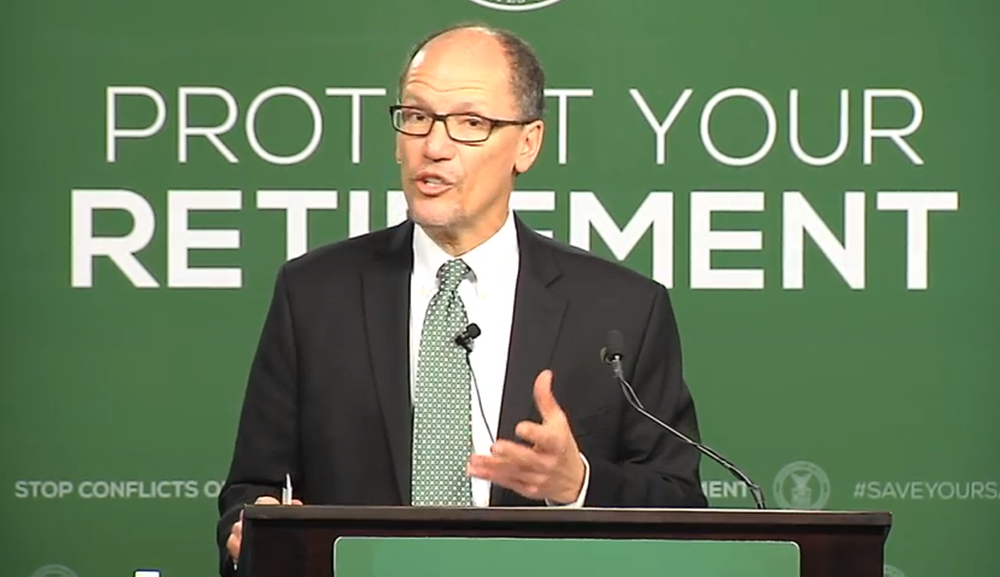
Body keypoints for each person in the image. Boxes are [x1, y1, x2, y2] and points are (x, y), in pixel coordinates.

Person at [215, 22, 708, 575]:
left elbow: (681, 507)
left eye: (470, 123)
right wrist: (253, 528)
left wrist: (577, 485)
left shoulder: (623, 310)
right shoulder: (314, 294)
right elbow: (250, 491)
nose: (434, 146)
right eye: (417, 117)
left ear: (527, 143)